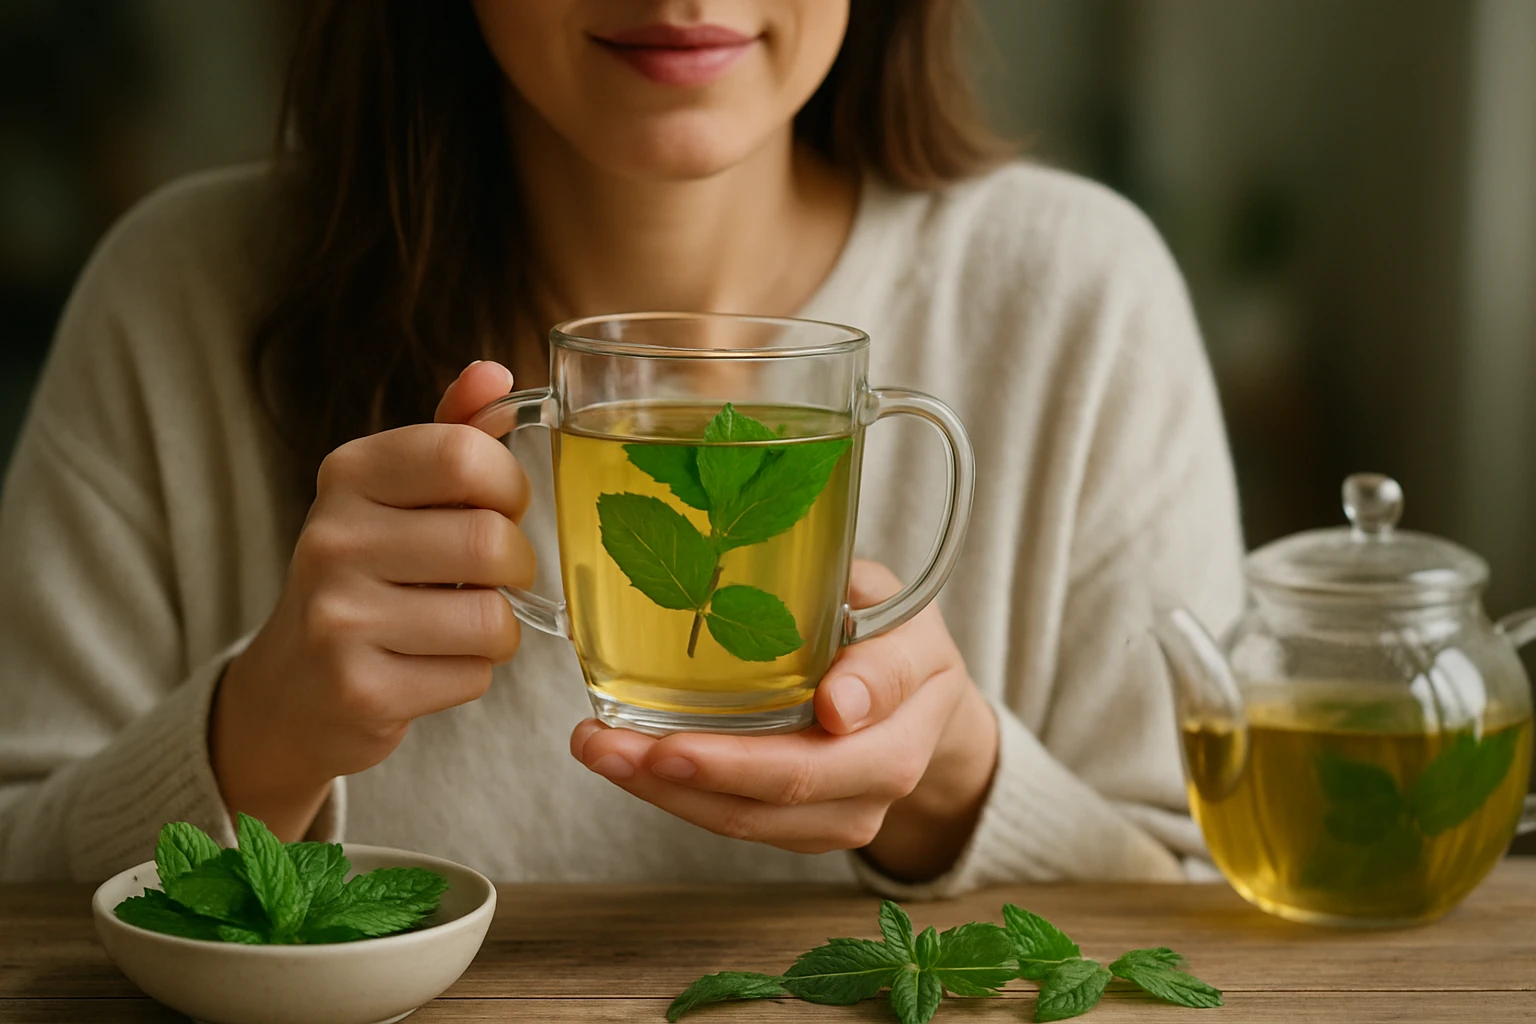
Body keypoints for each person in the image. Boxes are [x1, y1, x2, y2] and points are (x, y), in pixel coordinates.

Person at [0, 0, 1243, 891]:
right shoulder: (178, 299)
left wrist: (957, 789)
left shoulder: (1080, 299)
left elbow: (1207, 924)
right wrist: (251, 741)